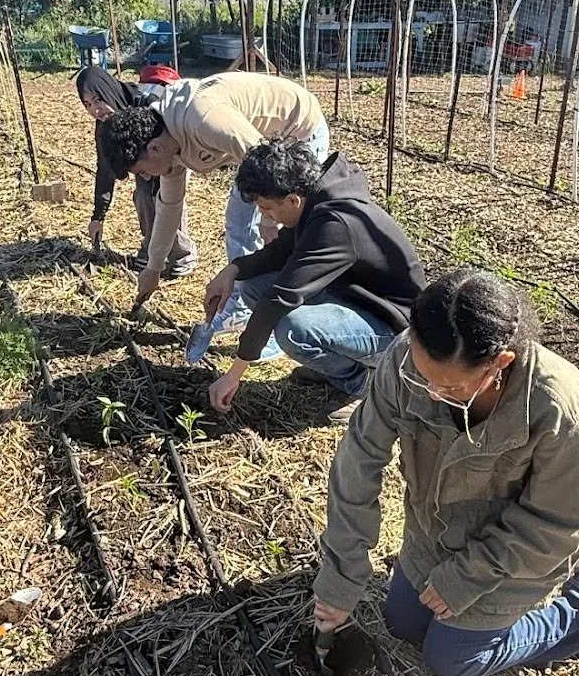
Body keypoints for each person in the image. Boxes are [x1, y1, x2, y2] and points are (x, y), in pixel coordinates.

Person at [312, 267, 579, 676]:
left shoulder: (553, 401)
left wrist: (466, 576)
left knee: (452, 661)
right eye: (424, 378)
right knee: (402, 625)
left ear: (499, 364)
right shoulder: (405, 361)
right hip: (432, 536)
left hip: (511, 561)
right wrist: (340, 579)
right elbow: (358, 462)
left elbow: (561, 522)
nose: (430, 392)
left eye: (449, 388)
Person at [204, 139, 425, 424]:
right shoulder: (317, 200)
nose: (266, 216)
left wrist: (234, 373)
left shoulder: (336, 224)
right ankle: (335, 365)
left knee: (294, 329)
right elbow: (282, 251)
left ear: (293, 199)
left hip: (395, 330)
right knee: (253, 286)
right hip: (357, 301)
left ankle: (365, 385)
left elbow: (280, 298)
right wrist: (232, 270)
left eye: (268, 209)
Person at [96, 72, 330, 324]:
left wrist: (270, 219)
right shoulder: (168, 145)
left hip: (296, 131)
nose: (145, 178)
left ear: (153, 148)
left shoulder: (205, 120)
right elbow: (169, 207)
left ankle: (287, 315)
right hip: (258, 148)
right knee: (240, 222)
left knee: (284, 226)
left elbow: (267, 163)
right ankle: (242, 308)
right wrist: (153, 267)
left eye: (142, 171)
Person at [76, 65, 196, 278]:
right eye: (88, 105)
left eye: (98, 100)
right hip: (144, 162)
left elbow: (170, 138)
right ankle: (151, 249)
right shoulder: (104, 124)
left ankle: (181, 255)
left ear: (108, 91)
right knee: (142, 195)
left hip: (172, 153)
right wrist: (98, 215)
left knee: (165, 198)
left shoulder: (144, 102)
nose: (96, 109)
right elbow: (105, 168)